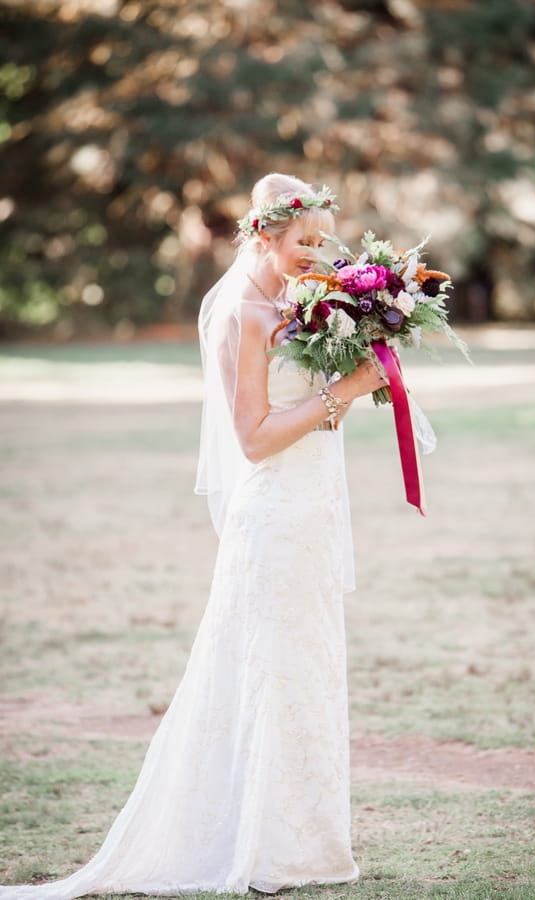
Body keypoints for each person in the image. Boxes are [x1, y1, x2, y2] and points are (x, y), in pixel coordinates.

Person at [0, 173, 386, 898]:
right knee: (268, 675)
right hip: (273, 519)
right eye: (303, 241)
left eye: (322, 239)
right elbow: (253, 440)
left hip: (312, 511)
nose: (317, 252)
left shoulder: (308, 307)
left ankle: (309, 846)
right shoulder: (244, 312)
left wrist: (352, 378)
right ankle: (262, 851)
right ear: (263, 236)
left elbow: (316, 415)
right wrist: (347, 389)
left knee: (306, 673)